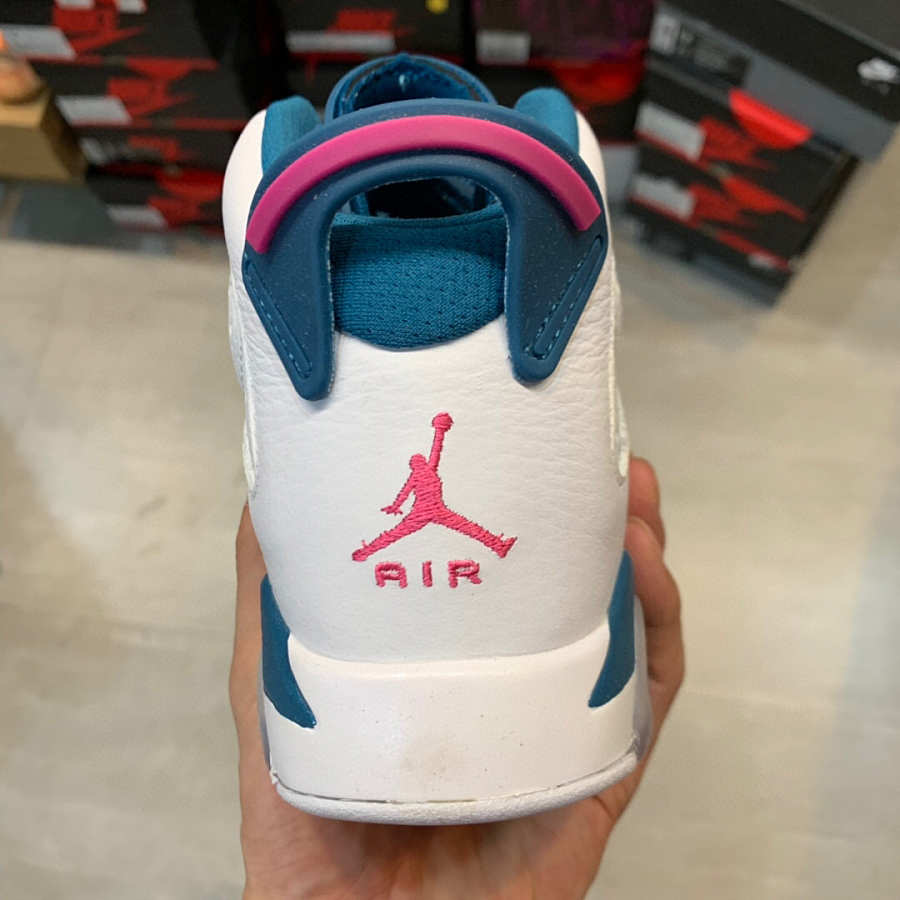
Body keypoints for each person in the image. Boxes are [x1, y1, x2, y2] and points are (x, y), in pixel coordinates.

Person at [230, 457, 684, 899]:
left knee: (432, 529)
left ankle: (389, 552)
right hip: (433, 516)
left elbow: (419, 477)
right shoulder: (421, 472)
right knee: (432, 529)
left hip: (424, 515)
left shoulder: (426, 469)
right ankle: (463, 547)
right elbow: (410, 488)